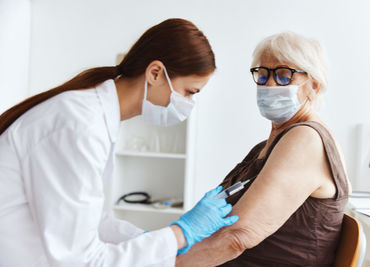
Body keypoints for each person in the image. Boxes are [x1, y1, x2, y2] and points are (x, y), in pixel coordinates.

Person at [0, 18, 238, 267]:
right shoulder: (79, 125)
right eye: (190, 92)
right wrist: (181, 234)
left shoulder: (95, 118)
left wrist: (145, 239)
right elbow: (82, 261)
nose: (189, 104)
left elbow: (91, 221)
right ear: (155, 73)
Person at [176, 32, 351, 267]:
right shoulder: (267, 145)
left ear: (314, 86)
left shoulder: (306, 139)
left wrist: (162, 263)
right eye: (262, 74)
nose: (269, 84)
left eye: (283, 76)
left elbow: (237, 237)